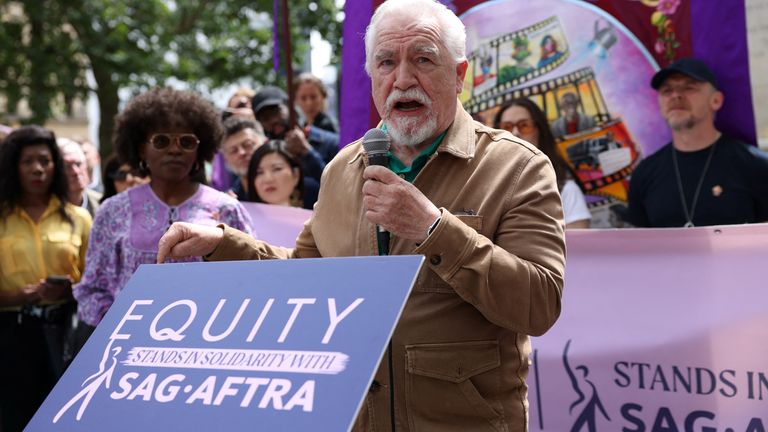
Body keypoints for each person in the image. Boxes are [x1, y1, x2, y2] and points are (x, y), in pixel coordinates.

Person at [157, 1, 566, 430]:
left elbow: (539, 306)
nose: (403, 78)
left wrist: (434, 230)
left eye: (423, 59)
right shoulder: (342, 169)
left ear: (460, 75)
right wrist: (222, 243)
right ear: (372, 77)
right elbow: (306, 276)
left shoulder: (518, 167)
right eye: (386, 62)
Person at [73, 88, 253, 328]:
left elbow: (251, 281)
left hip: (210, 341)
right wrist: (115, 324)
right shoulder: (112, 211)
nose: (175, 149)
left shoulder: (227, 209)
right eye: (161, 141)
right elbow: (92, 289)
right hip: (127, 347)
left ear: (200, 150)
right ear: (140, 149)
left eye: (187, 141)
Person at [0, 125, 92, 432]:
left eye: (45, 160)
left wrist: (70, 289)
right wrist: (21, 296)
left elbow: (95, 283)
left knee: (65, 419)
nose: (38, 169)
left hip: (66, 333)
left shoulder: (79, 218)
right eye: (28, 161)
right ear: (13, 166)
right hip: (11, 337)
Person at [625, 57, 768, 227]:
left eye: (689, 87)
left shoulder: (755, 166)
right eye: (666, 91)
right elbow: (640, 246)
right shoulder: (644, 174)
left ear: (716, 100)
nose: (676, 95)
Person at [494, 98, 591, 228]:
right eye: (507, 127)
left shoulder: (567, 191)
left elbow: (578, 246)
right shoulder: (486, 188)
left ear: (540, 130)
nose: (515, 133)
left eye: (524, 125)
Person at [251, 85, 330, 179]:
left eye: (276, 112)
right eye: (264, 118)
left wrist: (307, 152)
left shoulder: (330, 143)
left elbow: (337, 185)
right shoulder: (263, 156)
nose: (273, 120)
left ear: (290, 106)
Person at [245, 140, 319, 209]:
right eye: (259, 172)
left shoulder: (315, 216)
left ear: (296, 175)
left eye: (277, 169)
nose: (268, 179)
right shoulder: (245, 221)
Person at [220, 116, 268, 200]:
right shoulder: (230, 201)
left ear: (265, 143)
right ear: (226, 159)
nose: (241, 153)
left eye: (248, 145)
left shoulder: (291, 186)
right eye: (233, 151)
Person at [58, 137, 102, 217]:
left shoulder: (102, 204)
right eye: (67, 166)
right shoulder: (44, 209)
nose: (75, 172)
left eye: (79, 164)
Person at [294, 72, 341, 137]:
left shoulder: (328, 126)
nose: (309, 103)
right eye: (303, 98)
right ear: (296, 100)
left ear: (323, 97)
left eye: (313, 97)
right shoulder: (303, 125)